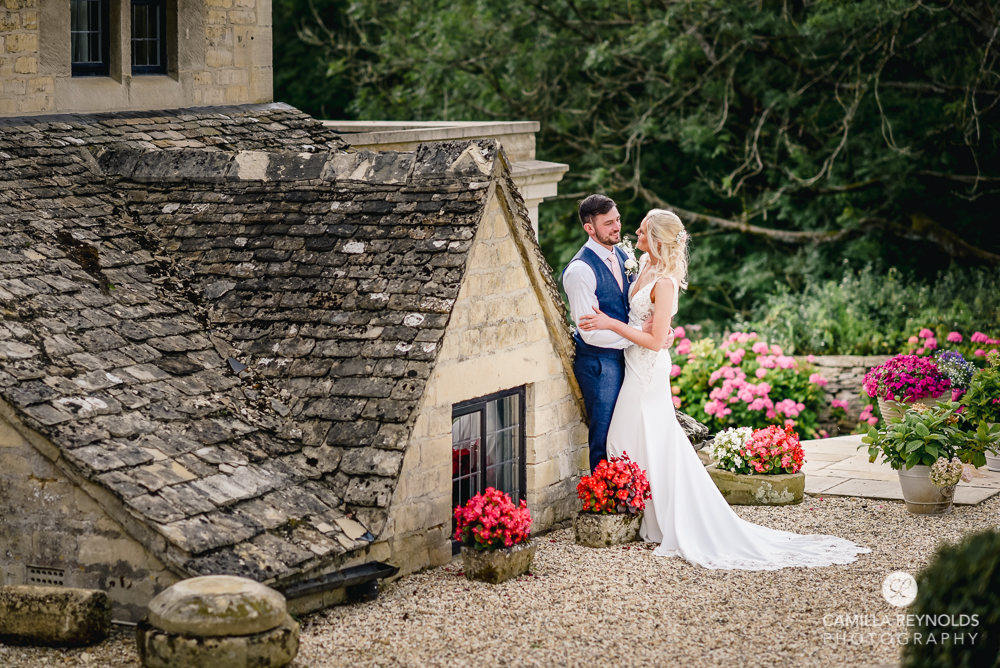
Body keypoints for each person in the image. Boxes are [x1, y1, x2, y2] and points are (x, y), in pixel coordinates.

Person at [578, 209, 869, 570]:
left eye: (641, 230)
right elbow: (643, 320)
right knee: (639, 437)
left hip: (648, 369)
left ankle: (662, 517)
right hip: (633, 364)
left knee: (630, 436)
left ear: (655, 238)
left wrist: (611, 324)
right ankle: (650, 517)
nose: (633, 233)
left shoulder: (665, 282)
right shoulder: (641, 267)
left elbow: (655, 342)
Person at [562, 195, 672, 472]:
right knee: (604, 433)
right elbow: (591, 333)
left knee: (631, 428)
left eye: (618, 219)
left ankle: (634, 488)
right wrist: (638, 334)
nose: (617, 227)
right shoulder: (580, 271)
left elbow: (645, 303)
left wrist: (662, 331)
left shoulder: (624, 255)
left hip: (632, 357)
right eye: (608, 223)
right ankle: (604, 501)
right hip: (600, 364)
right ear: (590, 228)